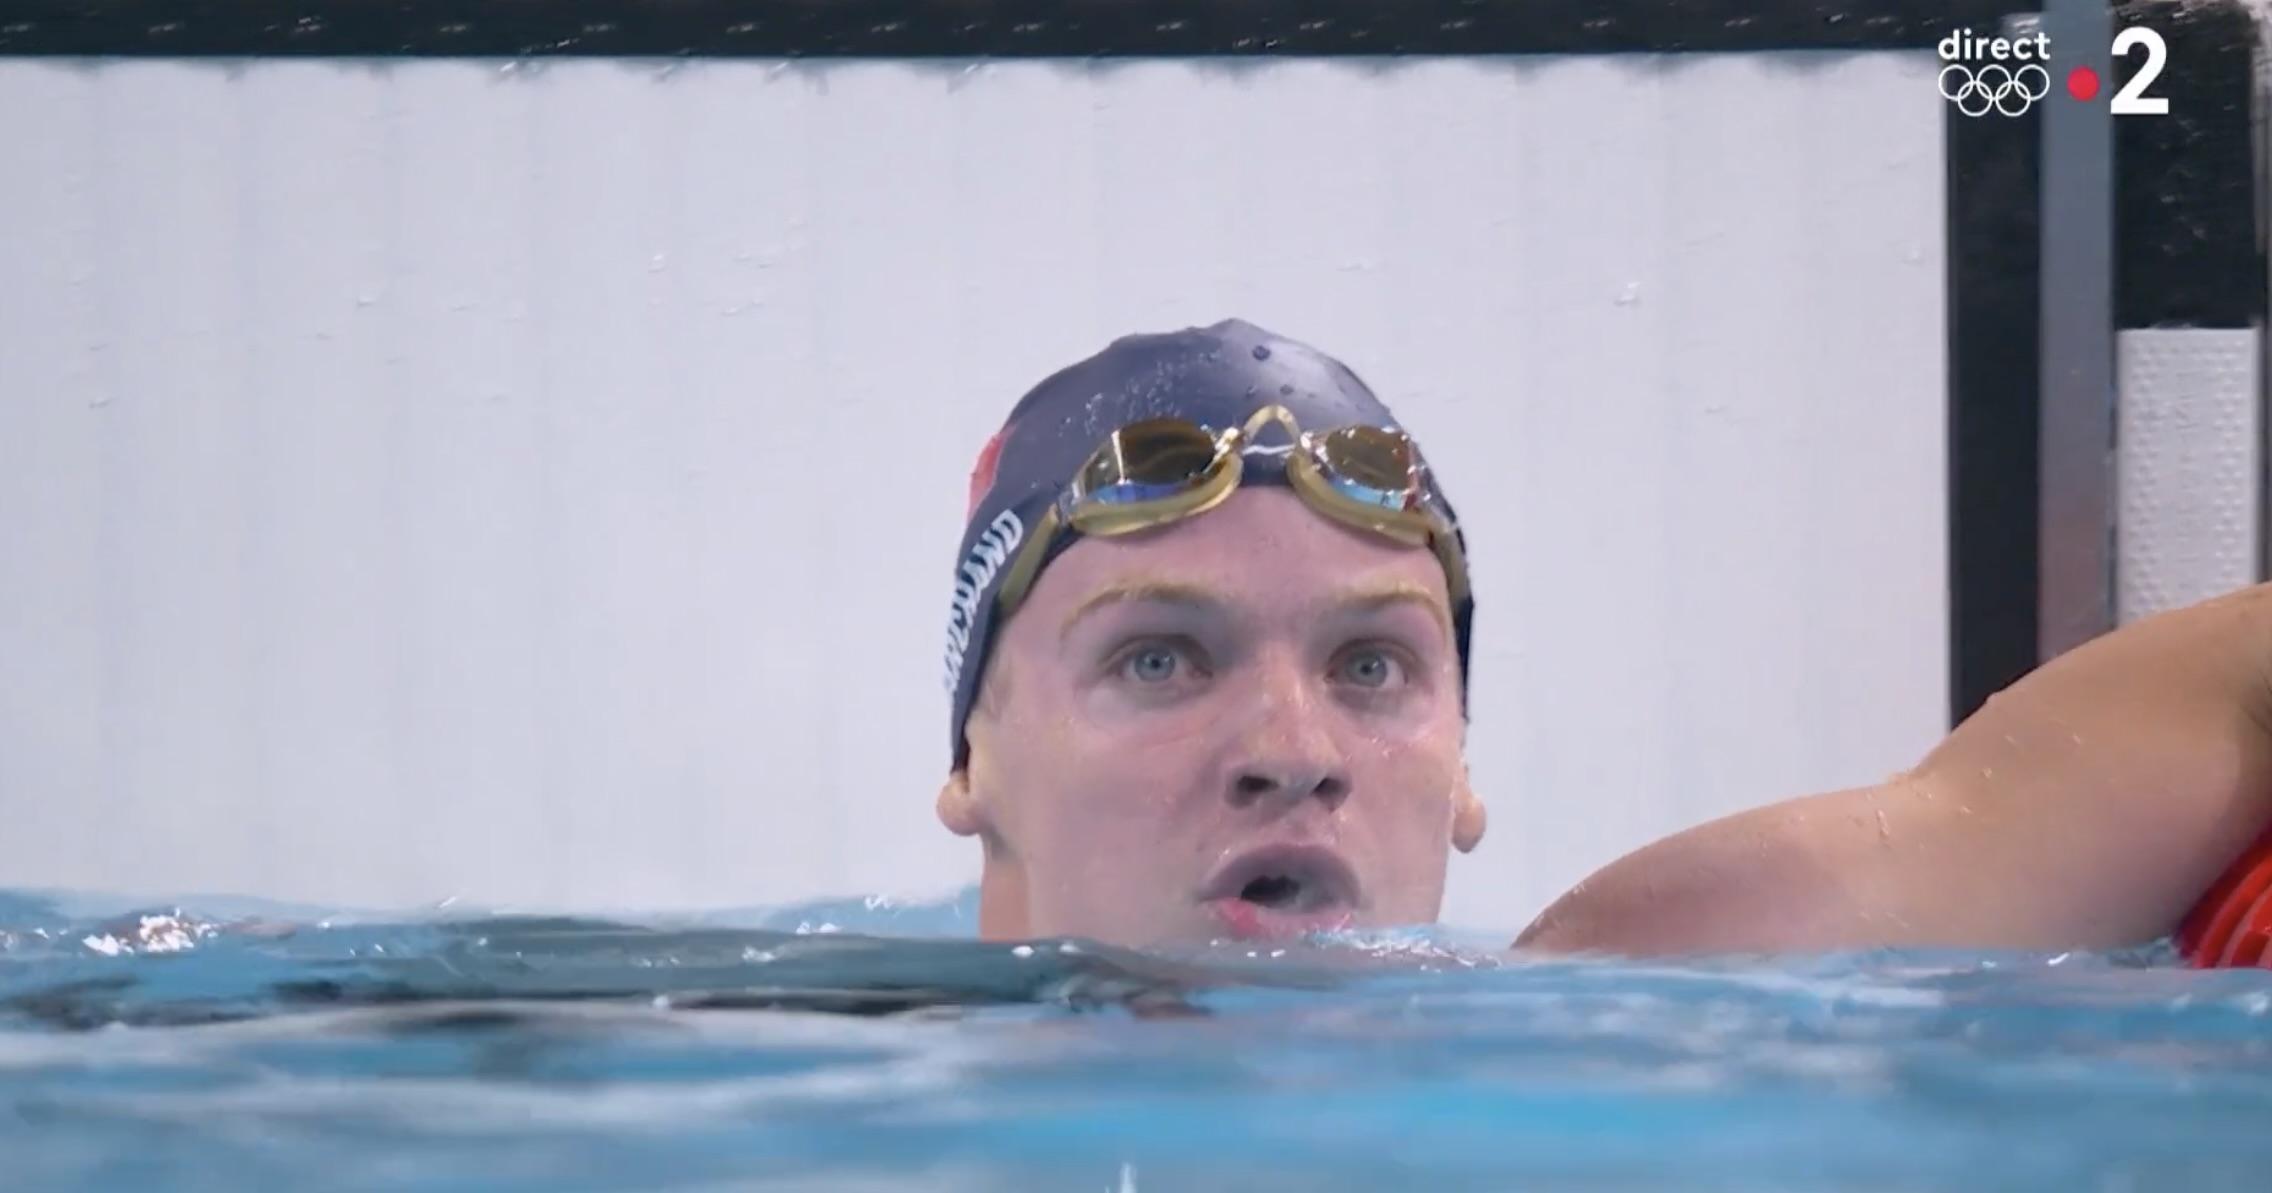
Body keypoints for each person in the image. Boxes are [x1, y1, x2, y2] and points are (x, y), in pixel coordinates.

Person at [933, 318, 2272, 960]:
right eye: (1160, 657)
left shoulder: (1627, 979)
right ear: (971, 760)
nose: (1294, 752)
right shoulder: (772, 1041)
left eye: (1371, 666)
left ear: (1462, 767)